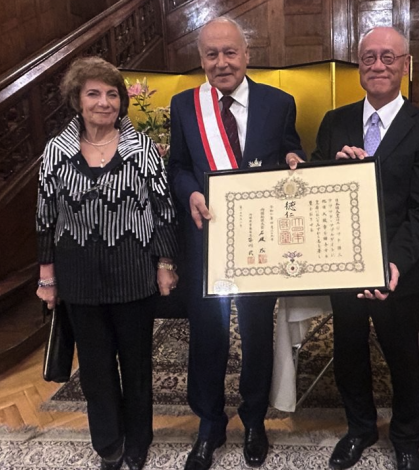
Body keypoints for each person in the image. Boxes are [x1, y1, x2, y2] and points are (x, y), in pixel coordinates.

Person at [167, 17, 305, 470]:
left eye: (230, 52)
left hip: (258, 241)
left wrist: (295, 160)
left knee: (256, 332)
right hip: (205, 239)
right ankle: (209, 423)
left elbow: (292, 152)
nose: (222, 62)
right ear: (201, 60)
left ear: (246, 55)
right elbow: (178, 166)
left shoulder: (279, 103)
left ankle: (254, 420)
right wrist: (191, 191)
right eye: (212, 54)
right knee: (207, 334)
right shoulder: (185, 105)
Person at [307, 26, 419, 470]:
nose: (378, 65)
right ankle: (360, 428)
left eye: (389, 57)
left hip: (396, 267)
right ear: (359, 66)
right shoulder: (335, 121)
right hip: (343, 262)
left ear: (405, 65)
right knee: (348, 350)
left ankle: (406, 438)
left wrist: (394, 262)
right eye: (369, 57)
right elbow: (313, 185)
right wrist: (332, 169)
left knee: (402, 354)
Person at [35, 56, 179, 470]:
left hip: (133, 273)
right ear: (77, 100)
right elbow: (45, 215)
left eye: (112, 94)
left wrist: (165, 262)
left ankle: (139, 440)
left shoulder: (142, 149)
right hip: (79, 278)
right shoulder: (56, 151)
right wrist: (47, 276)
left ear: (121, 101)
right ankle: (108, 444)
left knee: (136, 364)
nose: (104, 102)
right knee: (95, 368)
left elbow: (163, 210)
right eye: (94, 93)